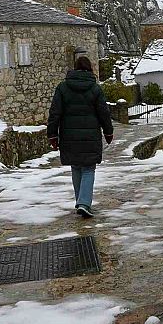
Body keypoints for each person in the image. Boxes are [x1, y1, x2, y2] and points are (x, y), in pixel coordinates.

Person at [47, 56, 113, 218]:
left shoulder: (62, 88)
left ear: (75, 68)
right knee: (89, 169)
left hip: (69, 137)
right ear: (90, 69)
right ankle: (83, 203)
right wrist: (108, 131)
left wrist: (52, 135)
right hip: (90, 137)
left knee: (76, 167)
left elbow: (54, 113)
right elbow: (103, 113)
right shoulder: (95, 89)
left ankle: (81, 201)